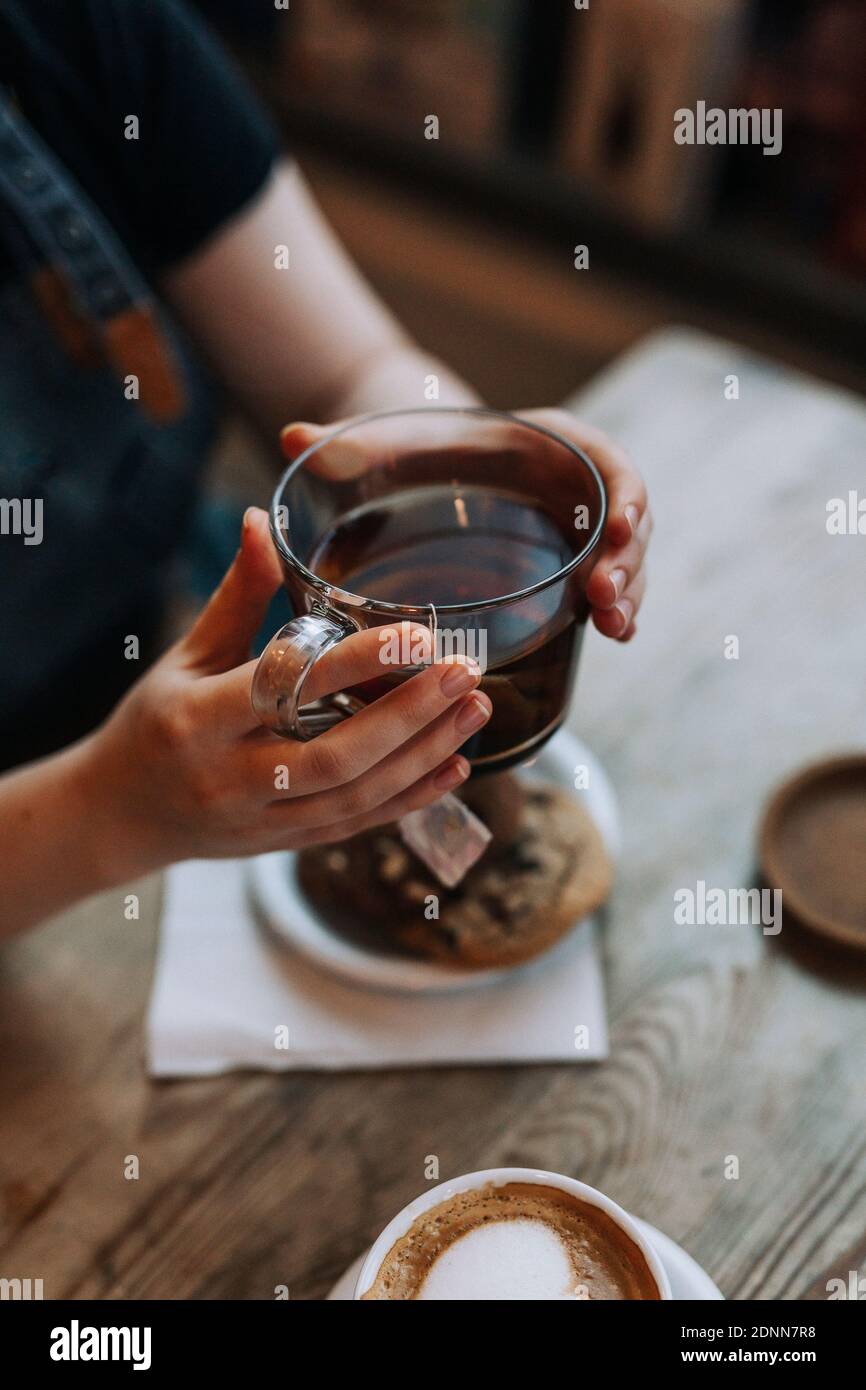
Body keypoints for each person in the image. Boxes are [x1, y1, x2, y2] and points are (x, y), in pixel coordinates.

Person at [0, 0, 651, 937]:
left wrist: (486, 449)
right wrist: (111, 810)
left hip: (172, 655)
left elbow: (343, 377)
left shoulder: (80, 29)